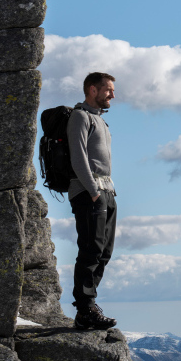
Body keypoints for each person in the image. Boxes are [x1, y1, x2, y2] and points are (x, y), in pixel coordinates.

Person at [67, 72, 118, 330]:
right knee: (91, 249)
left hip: (106, 191)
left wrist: (105, 192)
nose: (112, 95)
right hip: (90, 192)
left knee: (104, 252)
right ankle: (85, 308)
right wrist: (94, 191)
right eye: (108, 89)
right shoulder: (80, 116)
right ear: (92, 90)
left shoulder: (100, 121)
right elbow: (78, 158)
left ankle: (89, 306)